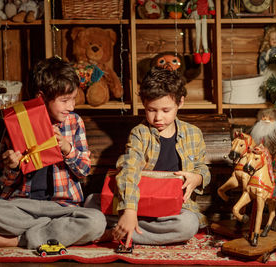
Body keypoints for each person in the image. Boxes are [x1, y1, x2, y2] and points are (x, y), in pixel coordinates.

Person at [0, 57, 106, 250]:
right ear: (41, 97)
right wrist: (11, 167)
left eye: (73, 99)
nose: (71, 106)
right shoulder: (17, 123)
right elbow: (4, 182)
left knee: (96, 221)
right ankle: (54, 232)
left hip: (62, 208)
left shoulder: (73, 122)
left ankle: (18, 240)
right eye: (64, 101)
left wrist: (67, 149)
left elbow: (84, 171)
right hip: (23, 206)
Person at [86, 67, 211, 248]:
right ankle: (129, 224)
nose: (158, 117)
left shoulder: (193, 133)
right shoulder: (140, 133)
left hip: (173, 208)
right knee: (91, 202)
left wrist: (198, 178)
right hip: (139, 202)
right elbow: (128, 169)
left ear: (180, 102)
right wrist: (129, 210)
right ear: (144, 104)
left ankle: (119, 231)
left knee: (188, 225)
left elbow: (203, 168)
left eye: (166, 110)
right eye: (151, 110)